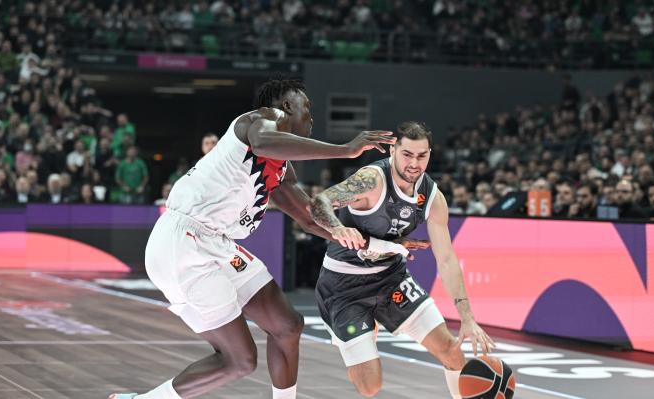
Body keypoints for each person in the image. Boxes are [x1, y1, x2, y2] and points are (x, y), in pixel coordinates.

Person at [109, 77, 396, 399]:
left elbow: (309, 218)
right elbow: (262, 143)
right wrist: (345, 150)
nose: (311, 117)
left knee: (287, 325)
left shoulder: (281, 168)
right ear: (286, 106)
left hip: (217, 243)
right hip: (183, 244)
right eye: (307, 107)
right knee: (239, 361)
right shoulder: (261, 119)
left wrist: (374, 244)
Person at [309, 121, 494, 399]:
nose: (414, 163)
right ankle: (356, 337)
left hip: (391, 279)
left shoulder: (432, 197)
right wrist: (337, 227)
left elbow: (446, 259)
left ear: (430, 154)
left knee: (452, 351)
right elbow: (318, 202)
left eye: (422, 156)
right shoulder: (371, 180)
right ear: (393, 150)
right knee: (369, 386)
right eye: (407, 154)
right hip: (344, 286)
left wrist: (467, 318)